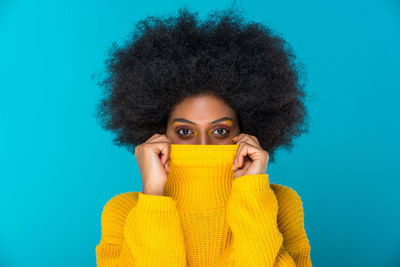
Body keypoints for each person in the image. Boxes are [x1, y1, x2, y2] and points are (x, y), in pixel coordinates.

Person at [94, 6, 312, 266]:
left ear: (246, 132)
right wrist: (153, 195)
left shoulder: (281, 204)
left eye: (220, 131)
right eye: (185, 131)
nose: (203, 144)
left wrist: (252, 192)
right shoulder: (124, 210)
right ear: (159, 134)